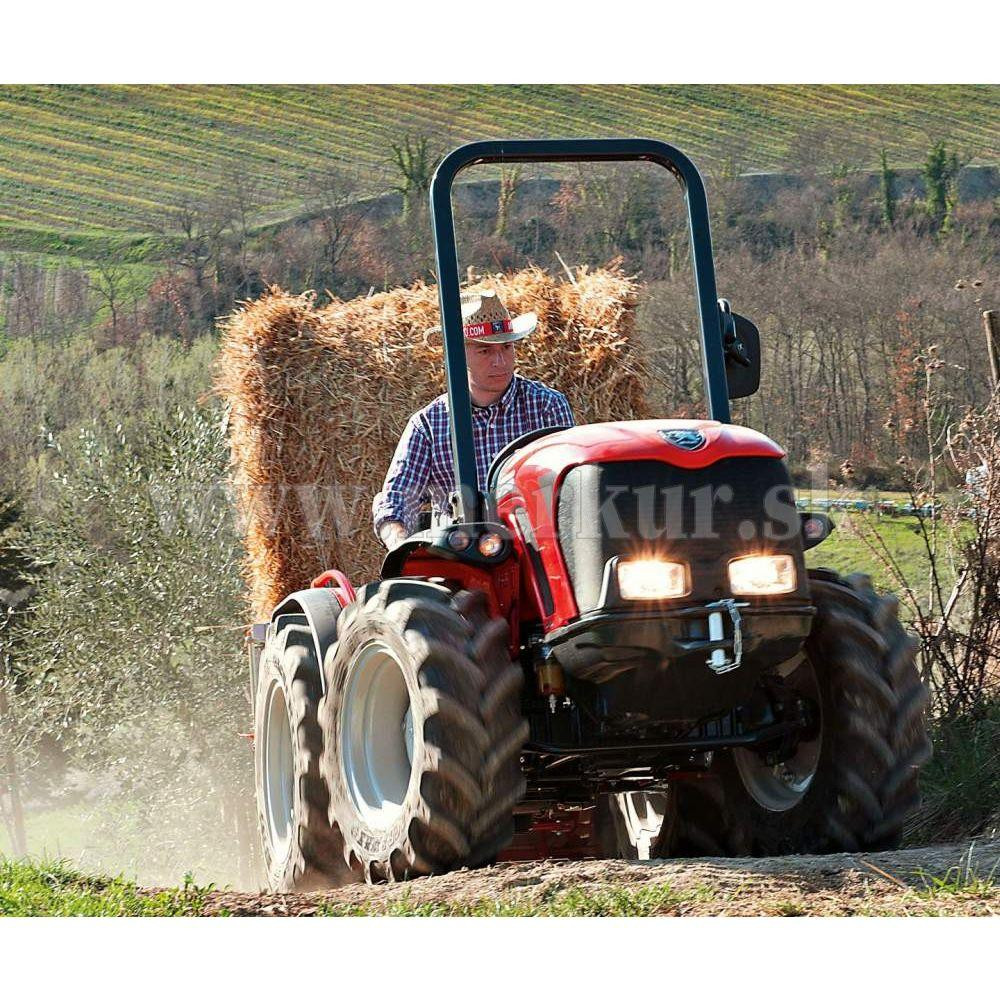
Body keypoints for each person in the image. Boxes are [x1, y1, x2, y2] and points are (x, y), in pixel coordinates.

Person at [373, 289, 575, 548]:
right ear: (457, 355)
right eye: (484, 351)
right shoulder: (429, 425)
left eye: (506, 347)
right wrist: (399, 543)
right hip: (462, 554)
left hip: (538, 548)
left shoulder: (547, 406)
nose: (500, 361)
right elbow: (396, 502)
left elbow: (571, 487)